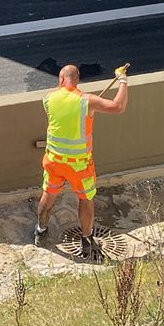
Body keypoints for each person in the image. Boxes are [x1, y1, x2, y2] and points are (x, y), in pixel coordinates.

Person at [35, 64, 129, 256]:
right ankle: (86, 240)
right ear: (77, 80)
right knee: (86, 199)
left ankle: (40, 231)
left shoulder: (48, 100)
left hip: (54, 162)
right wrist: (122, 79)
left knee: (48, 195)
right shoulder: (87, 101)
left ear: (61, 79)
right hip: (79, 165)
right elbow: (118, 107)